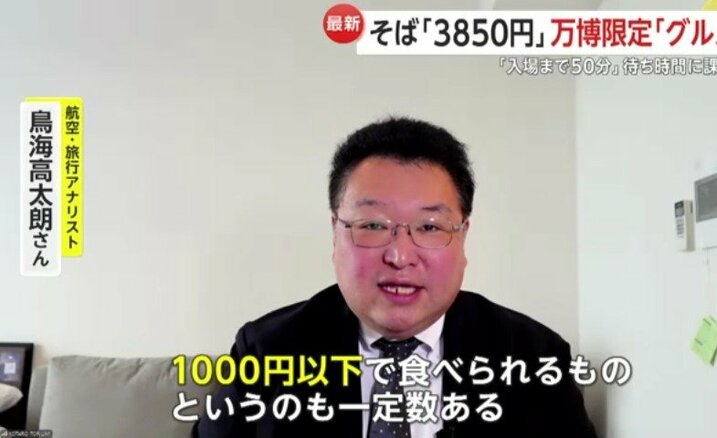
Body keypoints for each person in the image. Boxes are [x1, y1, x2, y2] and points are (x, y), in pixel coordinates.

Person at [195, 117, 597, 437]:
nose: (400, 256)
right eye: (372, 225)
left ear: (463, 237)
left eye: (429, 227)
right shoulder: (266, 352)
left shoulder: (533, 358)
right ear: (335, 233)